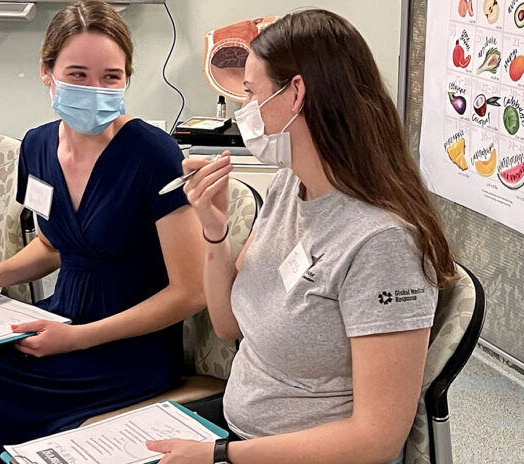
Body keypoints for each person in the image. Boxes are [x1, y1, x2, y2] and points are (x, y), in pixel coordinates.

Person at [0, 1, 205, 462]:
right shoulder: (38, 145)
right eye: (78, 74)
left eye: (111, 77)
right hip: (60, 318)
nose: (95, 89)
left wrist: (80, 338)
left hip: (129, 347)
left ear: (127, 78)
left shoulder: (154, 155)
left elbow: (191, 292)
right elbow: (52, 243)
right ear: (47, 72)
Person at [146, 9, 455, 464]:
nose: (243, 112)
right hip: (242, 433)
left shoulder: (383, 242)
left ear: (295, 94)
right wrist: (214, 231)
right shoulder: (295, 184)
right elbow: (230, 324)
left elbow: (377, 439)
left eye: (250, 94)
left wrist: (219, 456)